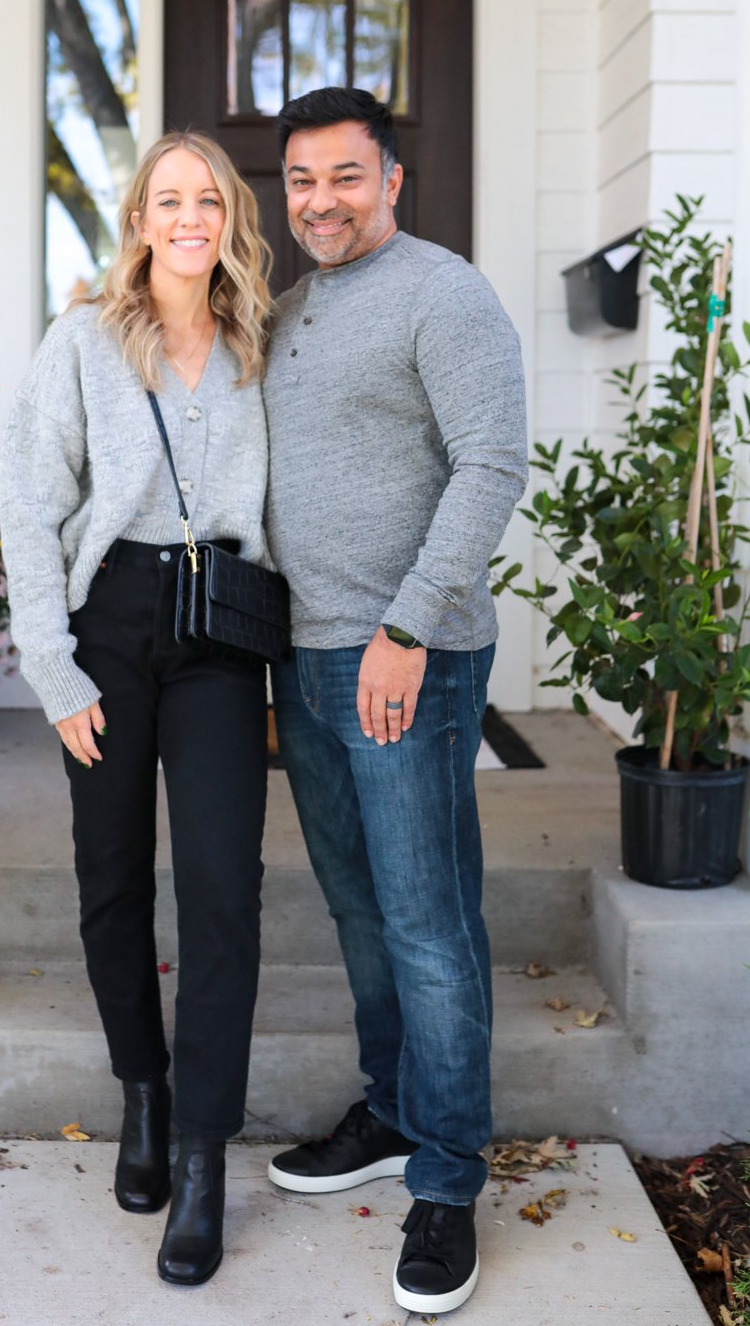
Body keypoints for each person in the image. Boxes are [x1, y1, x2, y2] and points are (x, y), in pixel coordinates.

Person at [263, 87, 527, 1315]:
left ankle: (447, 1175)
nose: (320, 200)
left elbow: (491, 463)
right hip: (304, 660)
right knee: (361, 909)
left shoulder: (444, 291)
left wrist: (407, 625)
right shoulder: (291, 304)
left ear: (389, 181)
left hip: (403, 660)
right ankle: (391, 1108)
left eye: (345, 177)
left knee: (427, 919)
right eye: (301, 179)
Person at [0, 131, 273, 1287]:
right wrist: (53, 669)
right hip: (108, 624)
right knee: (111, 877)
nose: (188, 216)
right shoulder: (82, 342)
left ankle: (203, 1153)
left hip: (219, 639)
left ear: (227, 217)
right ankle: (145, 1099)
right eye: (168, 199)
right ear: (139, 218)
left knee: (222, 888)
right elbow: (25, 502)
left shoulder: (263, 342)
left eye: (205, 198)